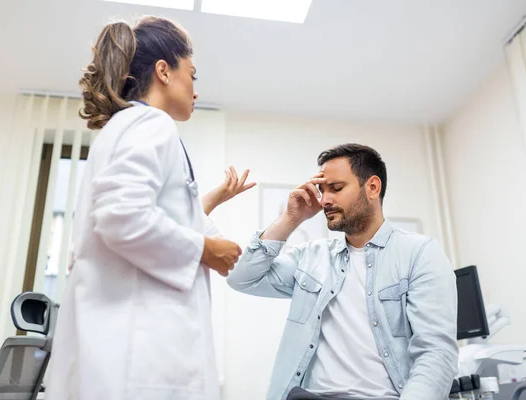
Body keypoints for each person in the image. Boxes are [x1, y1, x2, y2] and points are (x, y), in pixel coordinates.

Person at [45, 16, 255, 400]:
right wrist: (207, 250)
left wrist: (210, 219)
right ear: (164, 71)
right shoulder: (151, 124)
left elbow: (151, 212)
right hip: (139, 363)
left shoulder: (126, 127)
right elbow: (122, 217)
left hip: (120, 355)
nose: (195, 89)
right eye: (191, 74)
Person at [227, 144, 458, 400]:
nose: (325, 200)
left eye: (336, 189)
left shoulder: (420, 254)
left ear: (372, 187)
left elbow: (435, 353)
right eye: (321, 190)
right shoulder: (311, 256)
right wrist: (290, 219)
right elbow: (242, 279)